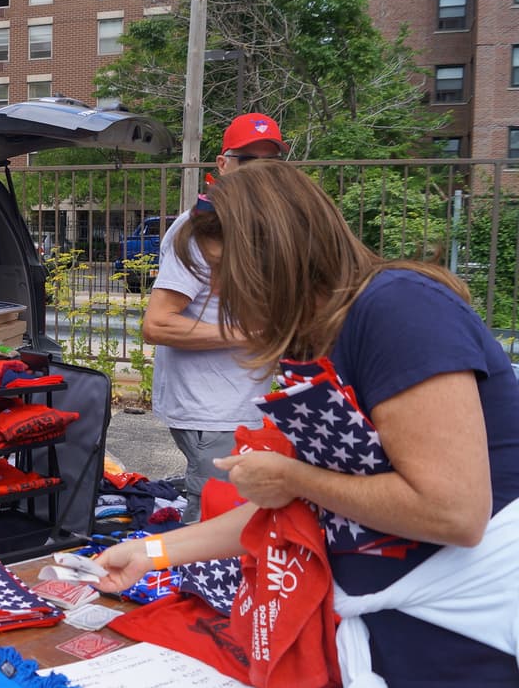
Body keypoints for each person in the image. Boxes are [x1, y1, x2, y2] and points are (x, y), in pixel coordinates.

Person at [95, 161, 519, 686]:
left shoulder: (400, 311)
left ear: (282, 254)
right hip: (391, 623)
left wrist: (292, 476)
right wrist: (152, 551)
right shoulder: (318, 338)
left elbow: (453, 511)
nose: (224, 291)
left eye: (230, 271)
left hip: (467, 631)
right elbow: (301, 509)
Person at [142, 112, 288, 522]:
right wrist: (253, 334)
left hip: (247, 404)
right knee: (213, 528)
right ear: (223, 165)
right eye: (248, 161)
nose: (260, 173)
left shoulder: (262, 228)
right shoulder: (198, 230)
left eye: (270, 163)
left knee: (248, 523)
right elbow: (157, 324)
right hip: (213, 412)